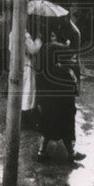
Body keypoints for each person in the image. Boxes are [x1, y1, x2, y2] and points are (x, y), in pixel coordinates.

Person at [35, 34, 85, 162]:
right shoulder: (64, 72)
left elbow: (39, 90)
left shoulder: (44, 71)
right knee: (66, 132)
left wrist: (39, 103)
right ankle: (71, 153)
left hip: (48, 107)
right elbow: (73, 91)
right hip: (63, 109)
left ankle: (41, 152)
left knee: (46, 132)